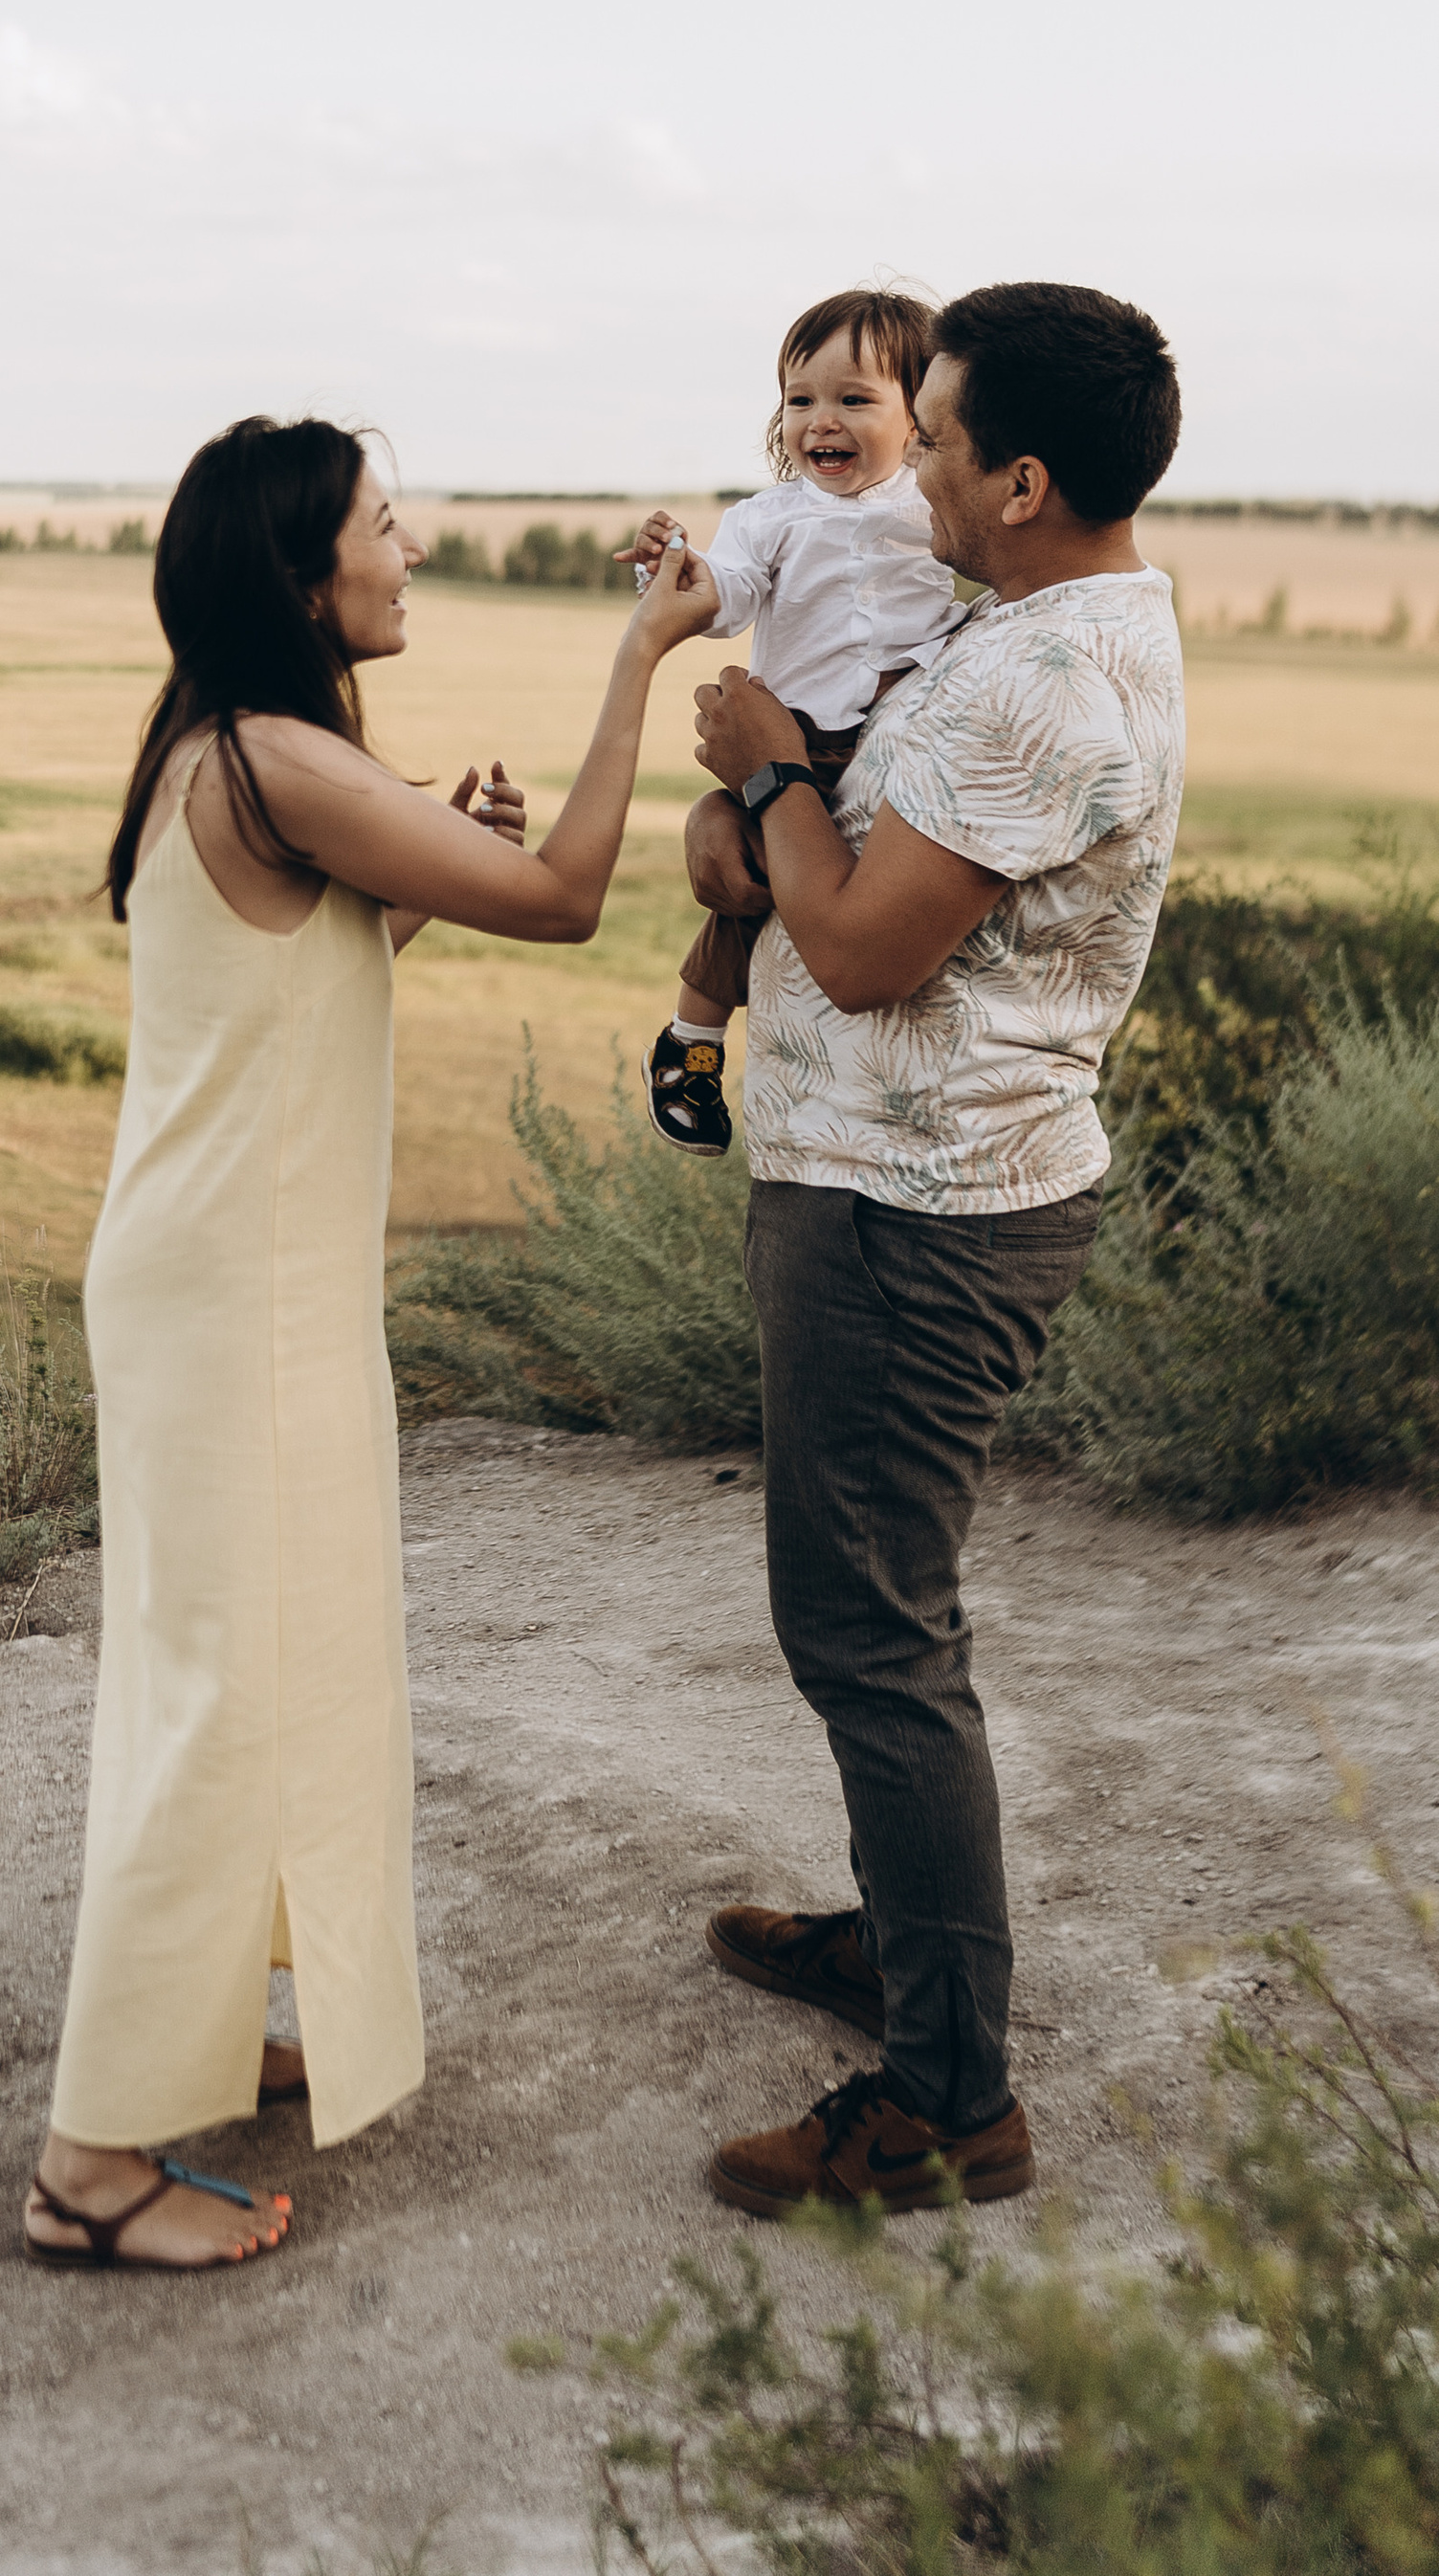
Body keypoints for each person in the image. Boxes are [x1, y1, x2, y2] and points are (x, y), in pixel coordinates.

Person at [25, 413, 719, 2272]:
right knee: (221, 1693)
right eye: (383, 528)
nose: (405, 553)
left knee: (266, 1661)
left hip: (232, 1289)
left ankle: (205, 2018)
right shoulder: (279, 756)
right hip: (233, 1306)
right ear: (299, 573)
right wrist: (636, 654)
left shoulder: (234, 752)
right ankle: (89, 2163)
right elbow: (572, 900)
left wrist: (404, 886)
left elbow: (288, 986)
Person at [682, 282, 1184, 2218]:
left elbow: (869, 944)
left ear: (1026, 480)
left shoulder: (1035, 678)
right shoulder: (1037, 628)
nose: (921, 474)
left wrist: (761, 766)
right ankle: (905, 1941)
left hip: (917, 1219)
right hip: (893, 1187)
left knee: (869, 1631)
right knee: (870, 1616)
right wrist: (780, 833)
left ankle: (945, 2095)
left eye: (947, 446)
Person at [629, 289, 963, 1160]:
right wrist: (678, 565)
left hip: (888, 737)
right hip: (790, 739)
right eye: (799, 399)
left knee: (870, 885)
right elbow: (723, 600)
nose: (822, 420)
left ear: (919, 415)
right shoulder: (768, 518)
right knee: (749, 890)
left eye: (855, 399)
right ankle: (689, 1044)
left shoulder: (934, 510)